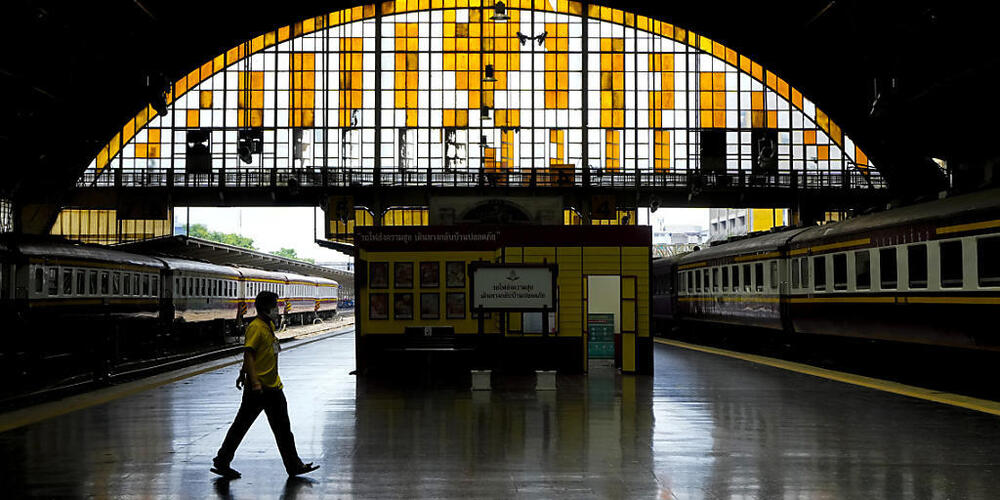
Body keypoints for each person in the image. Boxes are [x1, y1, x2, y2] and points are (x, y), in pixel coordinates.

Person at [211, 291, 319, 479]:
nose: (278, 310)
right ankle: (222, 460)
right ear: (267, 308)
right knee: (242, 426)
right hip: (259, 388)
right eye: (275, 306)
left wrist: (243, 373)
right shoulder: (256, 327)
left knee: (282, 429)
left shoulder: (267, 326)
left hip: (272, 386)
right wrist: (253, 382)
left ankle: (294, 465)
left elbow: (255, 354)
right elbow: (249, 354)